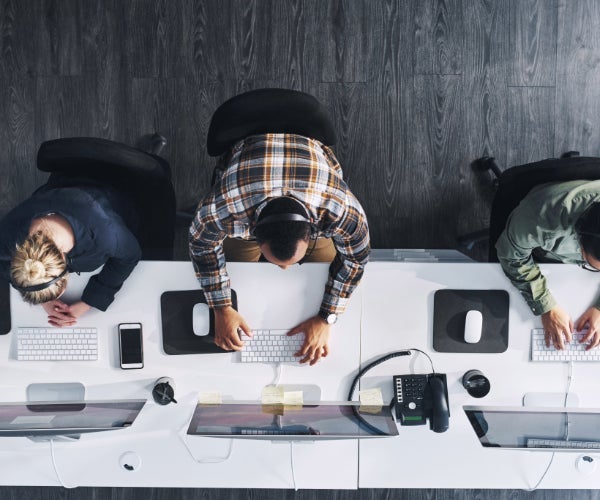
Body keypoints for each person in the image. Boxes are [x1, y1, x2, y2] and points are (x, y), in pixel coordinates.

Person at [189, 132, 370, 365]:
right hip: (246, 168)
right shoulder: (225, 207)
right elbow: (201, 245)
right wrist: (221, 308)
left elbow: (356, 260)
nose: (284, 269)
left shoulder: (340, 209)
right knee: (240, 273)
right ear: (253, 233)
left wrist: (326, 318)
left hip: (312, 166)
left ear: (312, 231)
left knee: (324, 270)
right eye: (276, 262)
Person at [0, 178, 142, 327]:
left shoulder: (106, 236)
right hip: (60, 190)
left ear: (64, 259)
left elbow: (130, 256)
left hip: (115, 196)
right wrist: (45, 300)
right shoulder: (8, 236)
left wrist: (90, 301)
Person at [495, 180, 600, 351]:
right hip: (539, 237)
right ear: (580, 242)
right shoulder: (539, 220)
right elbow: (512, 257)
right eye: (594, 266)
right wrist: (547, 307)